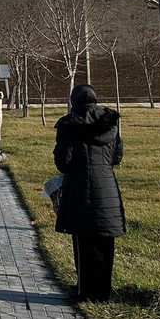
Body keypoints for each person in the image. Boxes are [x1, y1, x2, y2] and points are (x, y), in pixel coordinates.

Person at [53, 84, 125, 303]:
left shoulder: (69, 124)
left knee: (83, 243)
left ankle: (86, 293)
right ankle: (103, 293)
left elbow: (63, 163)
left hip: (80, 188)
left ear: (74, 101)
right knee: (105, 242)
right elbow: (117, 156)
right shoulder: (110, 123)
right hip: (107, 187)